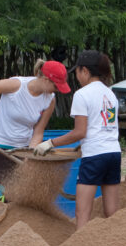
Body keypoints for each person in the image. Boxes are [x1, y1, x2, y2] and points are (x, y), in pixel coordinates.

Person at [0, 60, 70, 199]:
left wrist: (30, 155)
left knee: (16, 196)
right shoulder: (17, 85)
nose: (56, 91)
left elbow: (38, 131)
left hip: (22, 149)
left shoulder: (50, 99)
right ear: (46, 79)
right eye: (56, 86)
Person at [34, 50, 120, 229]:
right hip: (114, 153)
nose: (77, 76)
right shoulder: (110, 94)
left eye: (78, 72)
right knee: (112, 212)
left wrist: (50, 143)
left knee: (82, 213)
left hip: (94, 156)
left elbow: (80, 132)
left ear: (85, 71)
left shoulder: (82, 94)